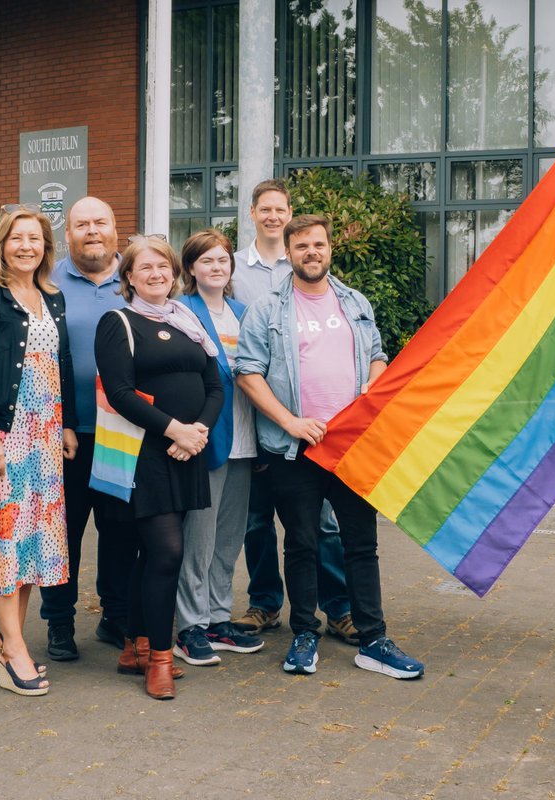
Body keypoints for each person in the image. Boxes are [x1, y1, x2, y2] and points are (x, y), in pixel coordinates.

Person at [234, 214, 424, 680]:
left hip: (352, 447)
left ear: (329, 249)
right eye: (302, 247)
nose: (311, 253)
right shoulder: (268, 308)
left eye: (318, 245)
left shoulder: (354, 301)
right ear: (290, 253)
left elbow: (378, 356)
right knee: (300, 544)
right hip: (293, 449)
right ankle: (304, 634)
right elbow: (247, 372)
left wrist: (366, 401)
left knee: (362, 545)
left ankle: (374, 639)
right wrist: (291, 422)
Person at [94, 235, 223, 699]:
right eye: (145, 268)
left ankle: (136, 644)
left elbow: (215, 384)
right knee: (167, 553)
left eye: (163, 267)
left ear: (174, 273)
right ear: (128, 276)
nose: (156, 274)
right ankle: (161, 661)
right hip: (145, 454)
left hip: (188, 450)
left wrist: (198, 433)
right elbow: (120, 392)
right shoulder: (118, 322)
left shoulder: (188, 320)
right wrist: (175, 431)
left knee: (154, 555)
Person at [229, 179, 356, 645]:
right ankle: (264, 604)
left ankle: (338, 606)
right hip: (258, 421)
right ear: (253, 213)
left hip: (317, 432)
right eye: (265, 209)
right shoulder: (235, 269)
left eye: (280, 209)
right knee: (257, 520)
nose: (273, 215)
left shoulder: (309, 263)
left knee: (321, 525)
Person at [0, 205, 79, 696]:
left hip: (46, 437)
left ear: (46, 248)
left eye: (35, 238)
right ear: (1, 245)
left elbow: (62, 362)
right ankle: (14, 648)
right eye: (17, 238)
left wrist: (67, 423)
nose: (26, 246)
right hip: (5, 437)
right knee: (5, 544)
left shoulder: (52, 297)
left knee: (30, 546)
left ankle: (9, 640)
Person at [40, 196, 133, 662]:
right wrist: (57, 424)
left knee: (120, 533)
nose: (91, 231)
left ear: (116, 229)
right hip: (65, 436)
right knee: (63, 534)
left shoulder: (136, 276)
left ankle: (115, 617)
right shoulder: (47, 280)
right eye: (82, 224)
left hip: (124, 433)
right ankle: (59, 623)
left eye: (101, 222)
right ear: (68, 232)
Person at [171, 229, 264, 666]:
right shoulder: (180, 311)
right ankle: (189, 624)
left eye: (223, 260)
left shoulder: (245, 312)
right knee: (200, 538)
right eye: (206, 260)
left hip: (247, 440)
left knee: (230, 538)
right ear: (191, 268)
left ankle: (216, 617)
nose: (216, 267)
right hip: (208, 438)